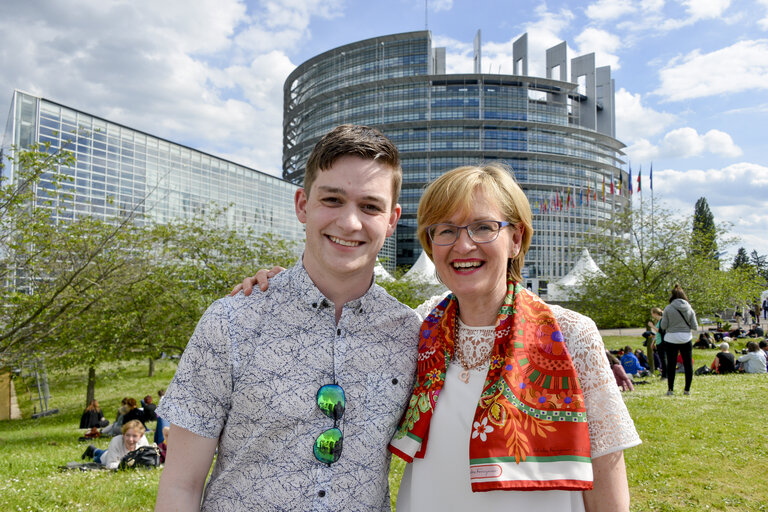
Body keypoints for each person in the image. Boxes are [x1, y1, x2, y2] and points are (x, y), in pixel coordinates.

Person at [243, 164, 640, 511]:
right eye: (445, 230)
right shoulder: (416, 328)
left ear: (516, 238)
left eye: (483, 227)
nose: (463, 245)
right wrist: (286, 286)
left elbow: (606, 469)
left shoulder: (570, 333)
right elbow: (338, 323)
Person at [155, 125, 421, 511]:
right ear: (302, 204)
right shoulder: (232, 321)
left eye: (370, 206)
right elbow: (181, 485)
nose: (349, 223)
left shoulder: (411, 334)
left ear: (392, 219)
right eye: (332, 199)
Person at [660, 284, 698, 396]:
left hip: (671, 338)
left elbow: (663, 326)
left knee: (671, 365)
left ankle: (670, 390)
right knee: (688, 365)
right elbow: (695, 326)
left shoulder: (668, 308)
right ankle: (687, 390)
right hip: (686, 338)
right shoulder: (689, 308)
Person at [81, 419, 149, 470]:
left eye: (134, 436)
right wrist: (129, 466)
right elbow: (110, 465)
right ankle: (92, 449)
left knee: (105, 451)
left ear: (141, 436)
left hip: (115, 453)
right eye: (127, 435)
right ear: (123, 434)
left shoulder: (144, 442)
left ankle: (93, 449)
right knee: (98, 457)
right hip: (106, 457)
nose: (130, 439)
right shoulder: (116, 441)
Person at [650, 307, 666, 378]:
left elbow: (661, 331)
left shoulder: (662, 320)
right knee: (661, 359)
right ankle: (664, 374)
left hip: (663, 342)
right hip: (659, 342)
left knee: (664, 359)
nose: (652, 315)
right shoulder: (658, 321)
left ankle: (665, 375)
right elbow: (657, 334)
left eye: (652, 314)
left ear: (655, 313)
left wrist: (652, 326)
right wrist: (653, 342)